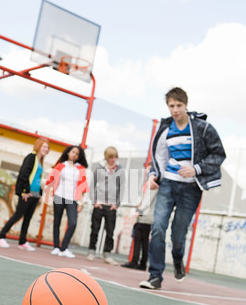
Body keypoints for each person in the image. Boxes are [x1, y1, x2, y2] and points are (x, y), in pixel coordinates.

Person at [139, 87, 226, 290]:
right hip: (168, 183)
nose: (175, 109)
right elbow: (158, 158)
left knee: (178, 235)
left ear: (186, 105)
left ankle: (178, 259)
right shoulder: (165, 129)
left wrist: (196, 169)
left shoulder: (203, 128)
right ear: (167, 106)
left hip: (191, 188)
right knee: (158, 226)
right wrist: (154, 176)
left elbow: (218, 155)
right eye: (171, 106)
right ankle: (155, 276)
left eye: (179, 105)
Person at [0, 137, 50, 251]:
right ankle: (0, 237)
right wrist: (25, 191)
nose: (46, 149)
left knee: (28, 218)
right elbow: (23, 174)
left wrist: (39, 194)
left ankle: (22, 241)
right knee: (18, 215)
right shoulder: (31, 157)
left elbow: (37, 179)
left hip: (35, 194)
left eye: (48, 147)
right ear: (38, 146)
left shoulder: (40, 161)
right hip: (27, 193)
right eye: (44, 146)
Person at [45, 145, 89, 258]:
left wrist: (81, 203)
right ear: (68, 153)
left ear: (79, 157)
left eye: (77, 154)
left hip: (73, 199)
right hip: (59, 196)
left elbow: (83, 187)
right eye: (73, 152)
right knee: (57, 221)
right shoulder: (60, 166)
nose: (74, 154)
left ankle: (64, 247)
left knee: (73, 223)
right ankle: (56, 247)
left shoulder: (81, 169)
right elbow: (50, 181)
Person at [87, 146, 125, 265]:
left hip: (111, 205)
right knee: (95, 229)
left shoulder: (120, 170)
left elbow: (122, 188)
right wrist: (94, 201)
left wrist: (117, 204)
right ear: (107, 157)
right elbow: (92, 185)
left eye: (115, 157)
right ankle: (91, 251)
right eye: (111, 157)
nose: (113, 159)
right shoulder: (99, 168)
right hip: (99, 204)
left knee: (110, 231)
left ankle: (107, 254)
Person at [121, 164, 158, 271]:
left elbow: (148, 200)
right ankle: (141, 263)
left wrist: (140, 210)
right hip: (145, 215)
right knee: (143, 239)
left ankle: (136, 261)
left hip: (145, 215)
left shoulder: (153, 183)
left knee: (139, 238)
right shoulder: (149, 182)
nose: (147, 170)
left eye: (149, 168)